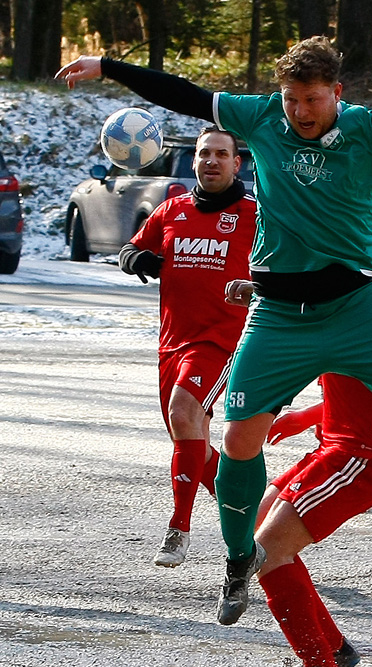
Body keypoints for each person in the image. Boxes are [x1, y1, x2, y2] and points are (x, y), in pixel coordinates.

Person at [57, 36, 372, 625]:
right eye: (291, 100)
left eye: (310, 100)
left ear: (335, 93)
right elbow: (185, 95)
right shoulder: (263, 117)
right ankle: (236, 562)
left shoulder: (370, 128)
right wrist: (107, 66)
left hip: (357, 304)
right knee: (236, 443)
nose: (299, 112)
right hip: (278, 313)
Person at [224, 188, 372, 666]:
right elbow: (366, 380)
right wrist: (313, 415)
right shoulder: (370, 283)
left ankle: (320, 660)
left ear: (358, 225)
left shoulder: (370, 288)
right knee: (258, 527)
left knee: (267, 551)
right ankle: (336, 650)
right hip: (339, 444)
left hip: (360, 456)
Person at [119, 126, 257, 568]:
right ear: (194, 161)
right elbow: (131, 249)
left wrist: (259, 287)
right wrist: (135, 259)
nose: (211, 162)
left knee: (184, 414)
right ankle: (250, 520)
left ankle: (178, 530)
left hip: (222, 340)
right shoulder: (172, 210)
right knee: (189, 437)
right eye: (203, 154)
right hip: (171, 341)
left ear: (238, 163)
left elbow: (289, 260)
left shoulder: (256, 214)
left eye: (221, 154)